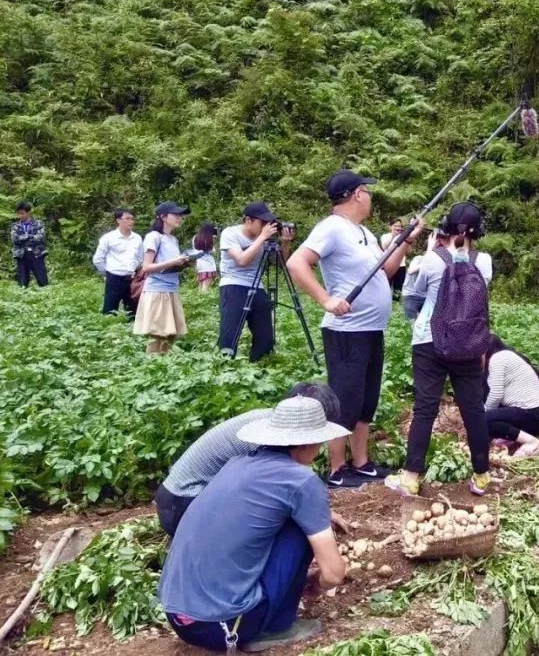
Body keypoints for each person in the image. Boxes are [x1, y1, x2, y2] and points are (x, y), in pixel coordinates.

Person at [157, 396, 348, 653]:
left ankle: (254, 606)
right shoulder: (301, 480)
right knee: (300, 530)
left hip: (179, 618)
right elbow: (334, 573)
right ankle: (278, 626)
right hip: (222, 627)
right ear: (308, 443)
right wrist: (316, 583)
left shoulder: (237, 464)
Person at [287, 170, 419, 489]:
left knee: (365, 400)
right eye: (368, 192)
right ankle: (336, 468)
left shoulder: (364, 233)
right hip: (346, 332)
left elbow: (386, 271)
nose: (370, 197)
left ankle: (360, 463)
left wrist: (405, 243)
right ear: (357, 194)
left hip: (371, 329)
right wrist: (326, 299)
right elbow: (295, 263)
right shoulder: (331, 228)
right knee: (344, 401)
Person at [385, 202, 494, 497]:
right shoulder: (483, 262)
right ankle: (482, 476)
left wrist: (431, 251)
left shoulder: (431, 260)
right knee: (473, 408)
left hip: (429, 340)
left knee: (425, 408)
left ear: (444, 227)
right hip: (468, 342)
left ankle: (411, 476)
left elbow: (415, 294)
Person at [155, 383, 343, 537]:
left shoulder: (271, 425)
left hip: (175, 500)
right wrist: (316, 517)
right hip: (183, 503)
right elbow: (279, 496)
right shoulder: (269, 441)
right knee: (285, 526)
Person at [219, 202, 294, 362]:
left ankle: (259, 366)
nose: (266, 226)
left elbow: (280, 263)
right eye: (262, 222)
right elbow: (241, 260)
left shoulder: (265, 238)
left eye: (269, 223)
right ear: (248, 220)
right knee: (230, 332)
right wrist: (261, 238)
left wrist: (285, 243)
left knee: (265, 336)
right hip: (233, 284)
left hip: (257, 285)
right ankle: (224, 366)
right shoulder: (230, 233)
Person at [134, 202, 193, 355]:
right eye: (176, 215)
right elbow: (146, 267)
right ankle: (152, 366)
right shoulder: (153, 237)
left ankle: (164, 365)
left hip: (171, 289)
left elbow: (167, 265)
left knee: (170, 333)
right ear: (163, 216)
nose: (180, 218)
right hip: (157, 290)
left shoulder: (173, 239)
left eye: (181, 216)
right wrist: (173, 261)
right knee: (157, 334)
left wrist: (183, 263)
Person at [484, 334, 539, 458]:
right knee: (487, 421)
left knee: (483, 420)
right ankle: (516, 438)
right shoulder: (508, 355)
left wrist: (485, 414)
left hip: (531, 413)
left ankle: (531, 442)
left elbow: (496, 394)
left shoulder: (496, 359)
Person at [92, 208, 142, 316]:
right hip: (114, 277)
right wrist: (108, 272)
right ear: (118, 220)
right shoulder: (108, 238)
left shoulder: (137, 238)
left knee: (133, 310)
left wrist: (136, 269)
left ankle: (132, 330)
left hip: (132, 278)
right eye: (127, 218)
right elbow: (98, 259)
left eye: (132, 219)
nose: (131, 221)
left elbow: (140, 258)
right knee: (110, 309)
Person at [401, 232, 436, 322]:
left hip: (425, 296)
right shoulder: (418, 259)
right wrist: (427, 261)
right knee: (410, 322)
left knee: (425, 323)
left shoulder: (435, 262)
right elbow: (411, 270)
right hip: (411, 295)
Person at [10, 201, 47, 288]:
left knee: (42, 280)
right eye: (18, 214)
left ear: (28, 212)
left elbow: (40, 237)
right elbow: (15, 240)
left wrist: (24, 238)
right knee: (22, 282)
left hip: (36, 253)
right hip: (21, 254)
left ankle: (45, 295)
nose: (20, 216)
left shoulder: (38, 224)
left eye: (22, 213)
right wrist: (30, 237)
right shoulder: (15, 226)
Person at [380, 219, 408, 299]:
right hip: (388, 264)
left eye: (399, 226)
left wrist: (407, 239)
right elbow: (385, 247)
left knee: (398, 289)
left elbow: (408, 251)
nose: (398, 228)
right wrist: (393, 236)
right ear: (390, 227)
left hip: (401, 265)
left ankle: (396, 305)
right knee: (386, 286)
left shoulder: (403, 237)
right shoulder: (385, 236)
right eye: (396, 226)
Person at [192, 222, 219, 294]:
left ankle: (198, 303)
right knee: (206, 287)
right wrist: (214, 240)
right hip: (208, 264)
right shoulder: (210, 238)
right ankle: (203, 303)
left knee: (200, 286)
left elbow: (194, 251)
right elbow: (213, 251)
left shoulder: (195, 237)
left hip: (199, 264)